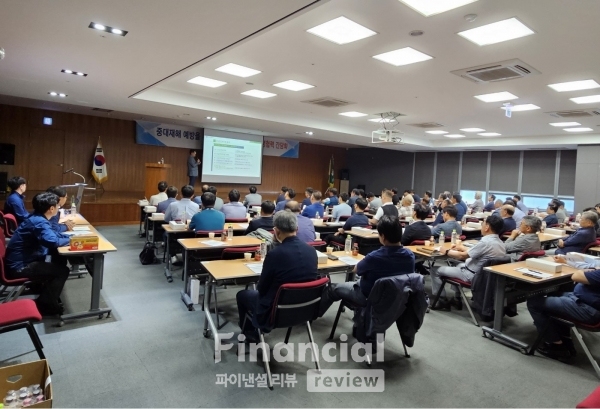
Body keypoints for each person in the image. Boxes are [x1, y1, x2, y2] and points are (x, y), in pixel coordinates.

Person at [236, 211, 318, 339]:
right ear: (297, 229)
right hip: (305, 309)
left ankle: (251, 335)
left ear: (276, 231)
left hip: (275, 311)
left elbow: (261, 288)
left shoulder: (275, 254)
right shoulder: (311, 250)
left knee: (242, 295)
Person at [319, 215, 415, 314]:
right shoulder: (410, 256)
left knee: (332, 288)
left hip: (367, 296)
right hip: (395, 299)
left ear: (382, 236)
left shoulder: (375, 256)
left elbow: (356, 269)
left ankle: (313, 315)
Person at [5, 192, 71, 315]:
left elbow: (53, 234)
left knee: (56, 260)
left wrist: (68, 237)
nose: (58, 208)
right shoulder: (40, 222)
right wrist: (72, 240)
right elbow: (53, 241)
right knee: (62, 271)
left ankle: (45, 293)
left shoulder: (36, 217)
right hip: (20, 267)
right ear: (51, 208)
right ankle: (45, 305)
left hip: (19, 261)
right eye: (57, 206)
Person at [430, 215, 506, 310]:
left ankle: (441, 300)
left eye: (483, 224)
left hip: (471, 275)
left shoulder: (485, 242)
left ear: (487, 227)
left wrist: (445, 251)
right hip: (486, 275)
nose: (481, 226)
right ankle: (457, 298)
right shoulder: (500, 242)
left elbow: (462, 256)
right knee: (456, 264)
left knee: (434, 270)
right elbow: (480, 252)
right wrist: (463, 248)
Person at [527, 263, 600, 360]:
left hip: (588, 309)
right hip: (586, 301)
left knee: (533, 303)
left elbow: (576, 276)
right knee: (553, 294)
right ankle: (564, 336)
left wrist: (589, 270)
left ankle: (556, 346)